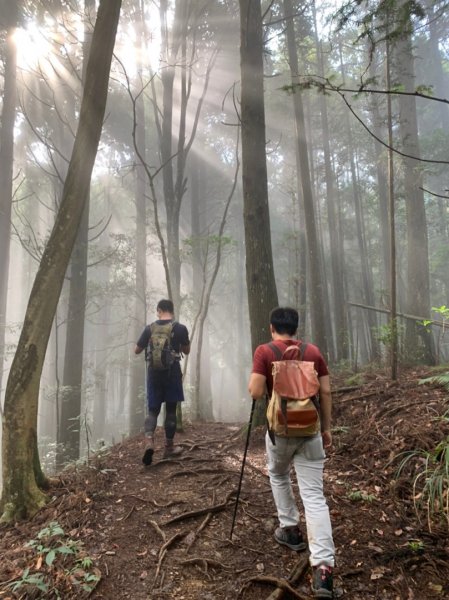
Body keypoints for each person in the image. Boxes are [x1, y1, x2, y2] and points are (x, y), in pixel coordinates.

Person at [248, 307, 335, 599]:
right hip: (310, 432)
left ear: (272, 327)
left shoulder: (265, 351)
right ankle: (323, 570)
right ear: (296, 328)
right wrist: (327, 429)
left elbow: (256, 391)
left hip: (281, 432)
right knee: (314, 496)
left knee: (278, 473)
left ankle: (290, 530)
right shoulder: (313, 351)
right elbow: (325, 393)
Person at [135, 299, 190, 464]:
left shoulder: (149, 328)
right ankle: (169, 447)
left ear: (159, 310)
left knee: (153, 410)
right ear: (172, 311)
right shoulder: (180, 328)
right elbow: (186, 351)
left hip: (153, 374)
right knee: (171, 410)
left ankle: (149, 441)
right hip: (172, 372)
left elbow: (137, 350)